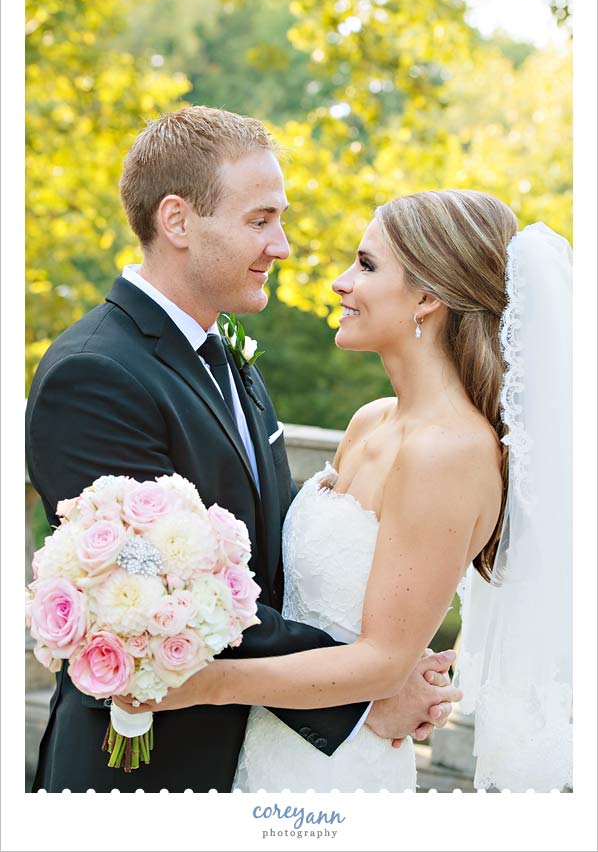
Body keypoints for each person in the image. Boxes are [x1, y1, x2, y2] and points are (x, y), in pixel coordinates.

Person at [25, 107, 460, 793]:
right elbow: (165, 602)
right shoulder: (95, 374)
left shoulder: (228, 355)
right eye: (260, 220)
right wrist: (367, 684)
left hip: (253, 760)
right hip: (143, 771)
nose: (281, 245)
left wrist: (383, 651)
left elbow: (266, 565)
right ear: (177, 222)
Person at [116, 190, 573, 793]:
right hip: (269, 740)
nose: (339, 282)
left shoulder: (450, 452)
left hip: (338, 775)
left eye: (366, 265)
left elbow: (382, 659)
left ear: (429, 297)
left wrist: (198, 683)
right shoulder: (370, 421)